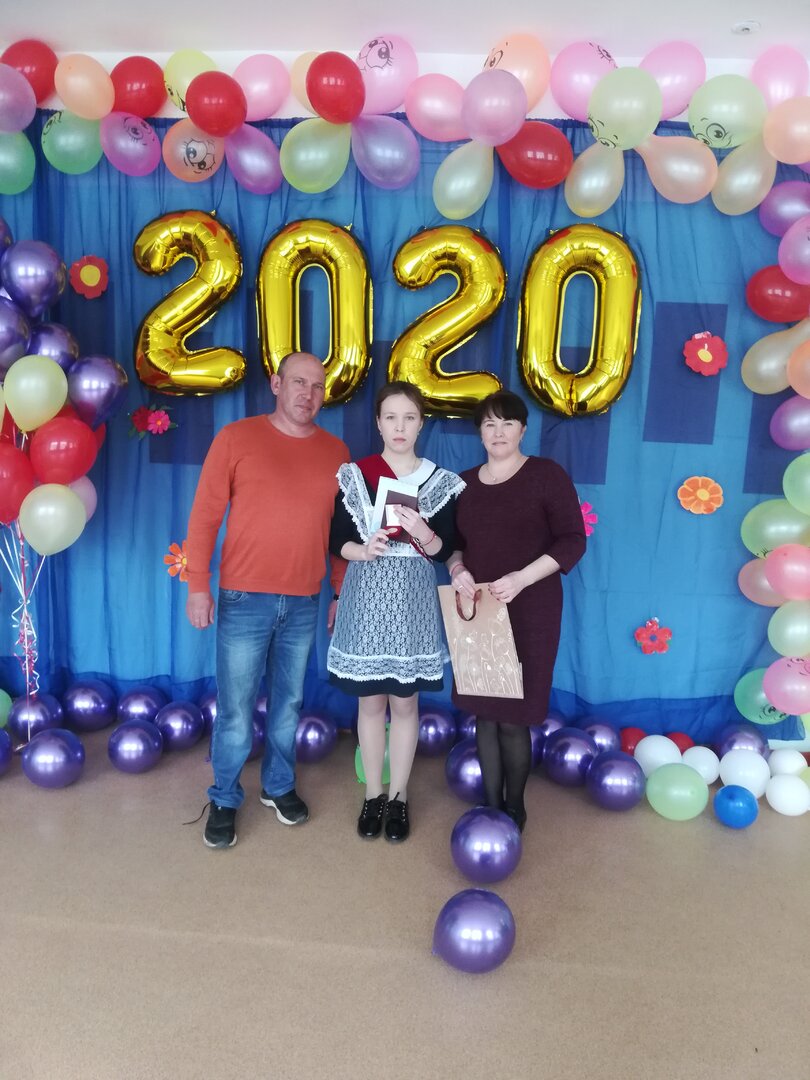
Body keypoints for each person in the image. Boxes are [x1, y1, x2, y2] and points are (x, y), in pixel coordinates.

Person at [185, 352, 349, 849]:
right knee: (235, 708)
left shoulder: (337, 452)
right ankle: (224, 797)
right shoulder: (236, 438)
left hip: (304, 600)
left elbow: (340, 533)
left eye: (317, 386)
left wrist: (340, 590)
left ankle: (278, 785)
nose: (308, 394)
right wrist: (198, 585)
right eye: (299, 382)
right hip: (243, 598)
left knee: (288, 703)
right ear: (276, 384)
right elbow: (205, 515)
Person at [327, 382, 465, 842]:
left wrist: (424, 532)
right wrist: (362, 550)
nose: (400, 426)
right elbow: (337, 540)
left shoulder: (439, 481)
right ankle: (374, 794)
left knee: (406, 703)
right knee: (370, 702)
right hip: (366, 598)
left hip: (413, 603)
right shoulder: (357, 475)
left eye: (409, 417)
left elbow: (447, 549)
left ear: (421, 423)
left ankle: (400, 797)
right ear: (379, 423)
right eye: (391, 417)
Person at [447, 390, 586, 832]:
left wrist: (523, 578)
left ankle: (514, 809)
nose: (498, 431)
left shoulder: (546, 475)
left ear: (523, 429)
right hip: (479, 612)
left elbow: (572, 540)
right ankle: (490, 806)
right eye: (489, 424)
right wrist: (457, 570)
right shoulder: (464, 484)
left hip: (532, 611)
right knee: (485, 715)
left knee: (513, 718)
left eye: (507, 423)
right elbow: (453, 545)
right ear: (479, 433)